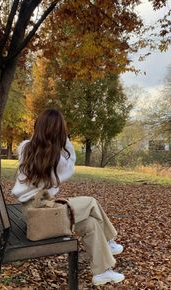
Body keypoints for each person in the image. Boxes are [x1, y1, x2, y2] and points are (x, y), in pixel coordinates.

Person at [11, 108, 125, 286]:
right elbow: (71, 166)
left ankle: (102, 272)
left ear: (38, 127)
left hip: (31, 211)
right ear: (60, 131)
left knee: (91, 224)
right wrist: (64, 138)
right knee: (91, 202)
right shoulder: (58, 158)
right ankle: (110, 240)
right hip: (43, 213)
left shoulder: (25, 147)